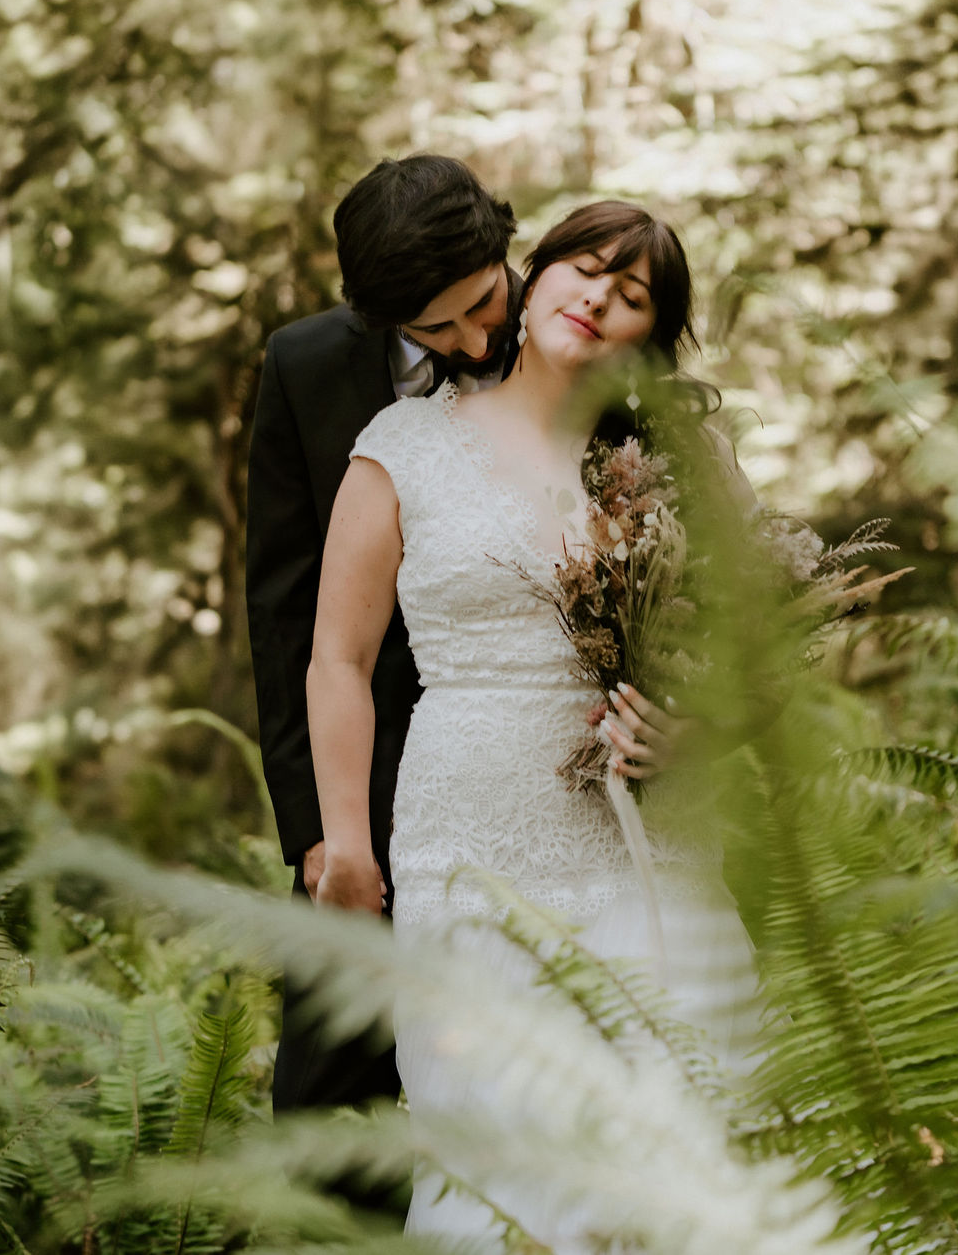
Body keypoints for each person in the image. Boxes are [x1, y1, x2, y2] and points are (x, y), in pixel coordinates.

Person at [306, 201, 759, 1245]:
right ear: (534, 271)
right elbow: (338, 658)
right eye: (586, 269)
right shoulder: (404, 445)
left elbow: (760, 649)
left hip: (649, 845)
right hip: (470, 841)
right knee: (500, 1152)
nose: (600, 297)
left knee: (691, 1121)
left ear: (652, 334)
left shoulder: (681, 465)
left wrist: (695, 733)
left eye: (634, 294)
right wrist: (345, 842)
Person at [245, 157, 678, 1112]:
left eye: (486, 302)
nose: (475, 337)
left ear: (507, 253)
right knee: (331, 1102)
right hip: (368, 769)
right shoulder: (305, 367)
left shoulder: (587, 342)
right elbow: (286, 618)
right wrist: (323, 832)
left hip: (586, 790)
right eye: (434, 328)